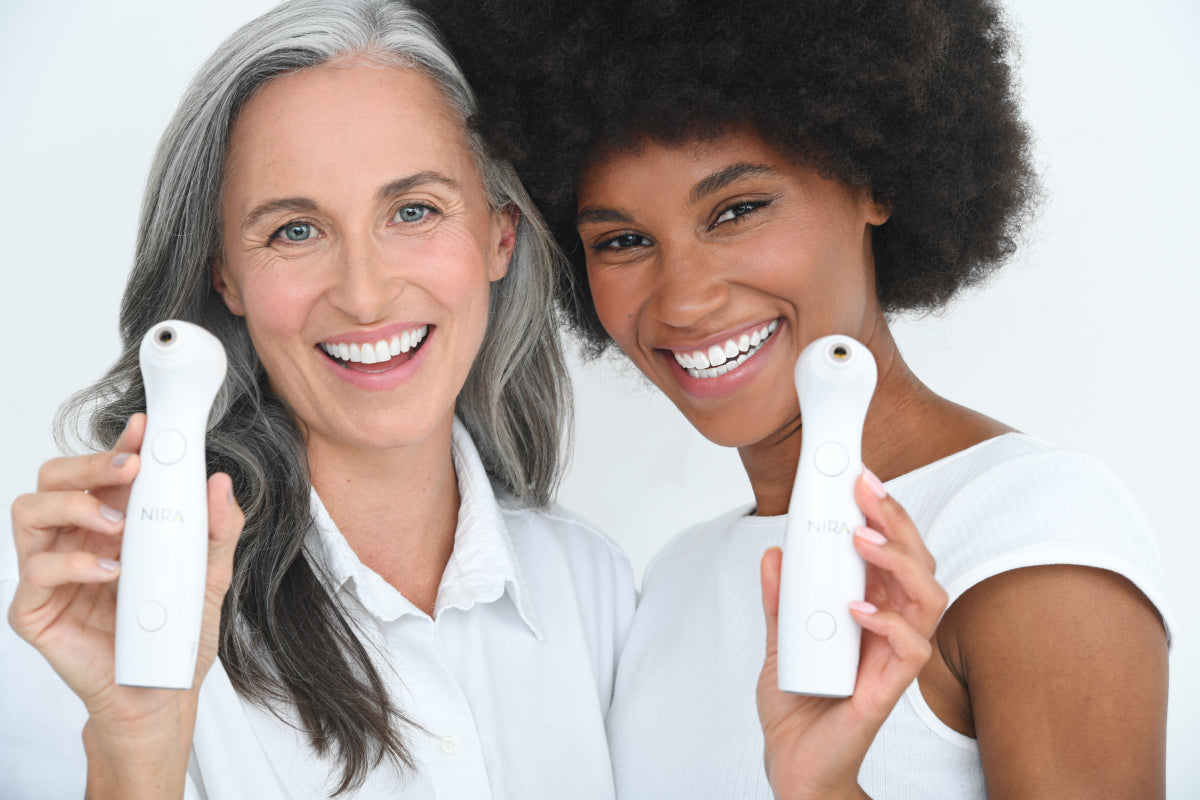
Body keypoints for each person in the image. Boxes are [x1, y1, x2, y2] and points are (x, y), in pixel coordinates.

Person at [422, 0, 1177, 797]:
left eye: (737, 211)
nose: (684, 300)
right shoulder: (676, 581)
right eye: (624, 241)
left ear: (872, 180)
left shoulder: (1025, 534)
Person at [2, 1, 634, 797]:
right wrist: (135, 748)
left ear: (499, 236)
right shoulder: (91, 611)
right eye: (295, 231)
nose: (364, 296)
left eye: (413, 211)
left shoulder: (594, 585)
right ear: (224, 275)